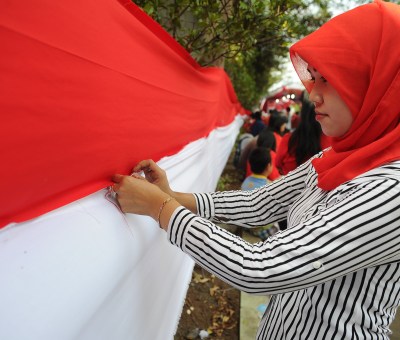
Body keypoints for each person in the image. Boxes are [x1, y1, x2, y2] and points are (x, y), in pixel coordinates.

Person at [112, 1, 400, 338]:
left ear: (380, 89)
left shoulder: (389, 191)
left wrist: (160, 208)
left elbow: (261, 268)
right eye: (316, 78)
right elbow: (259, 204)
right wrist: (175, 197)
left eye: (333, 81)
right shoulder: (336, 159)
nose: (313, 96)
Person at [276, 94, 332, 175]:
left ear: (302, 112)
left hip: (290, 185)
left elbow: (278, 164)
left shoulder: (288, 139)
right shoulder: (333, 141)